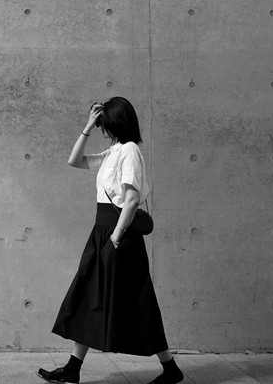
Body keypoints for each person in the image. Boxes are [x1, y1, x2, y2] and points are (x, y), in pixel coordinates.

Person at [37, 97, 183, 384]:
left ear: (116, 122)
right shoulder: (113, 151)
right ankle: (73, 369)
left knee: (136, 302)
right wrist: (87, 127)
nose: (102, 128)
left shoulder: (129, 151)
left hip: (118, 236)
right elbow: (74, 160)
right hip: (102, 233)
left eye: (104, 123)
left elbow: (132, 199)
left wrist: (115, 239)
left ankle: (170, 369)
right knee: (89, 296)